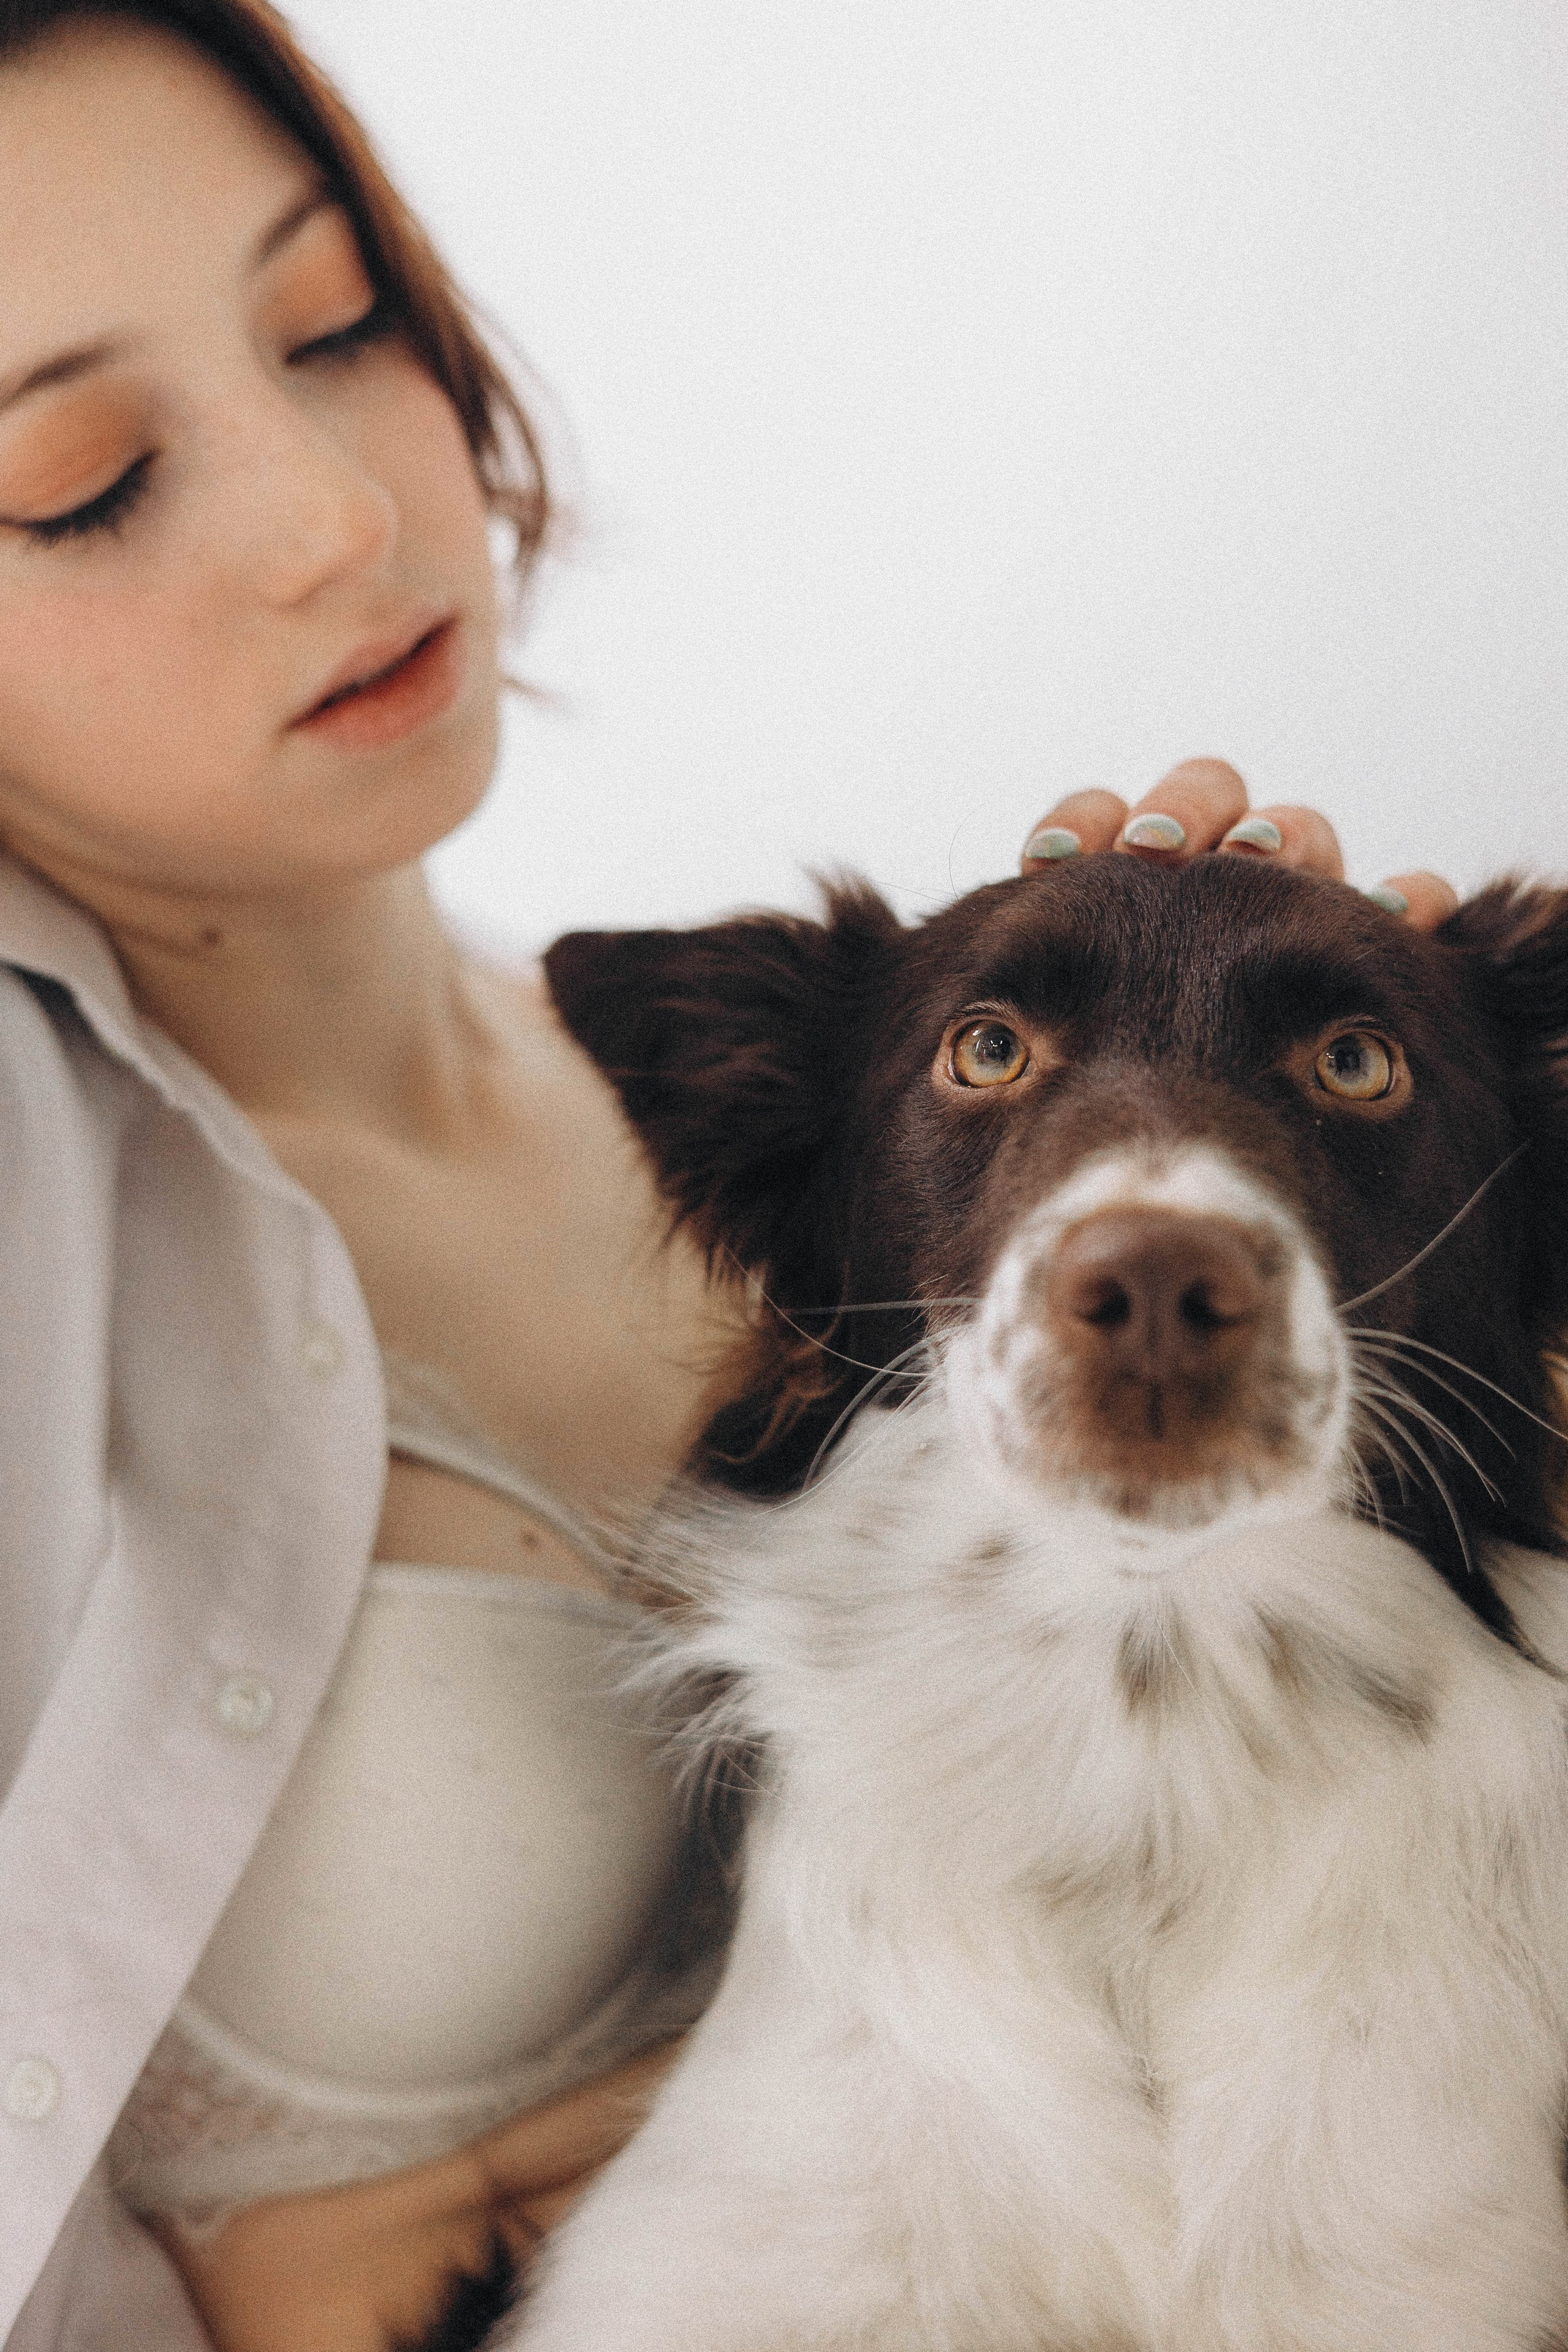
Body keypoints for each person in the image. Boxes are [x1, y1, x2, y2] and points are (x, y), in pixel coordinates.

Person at [0, 4, 1458, 2348]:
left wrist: (1365, 1163)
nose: (336, 518)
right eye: (81, 482)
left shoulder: (767, 1099)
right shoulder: (34, 1228)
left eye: (334, 324)